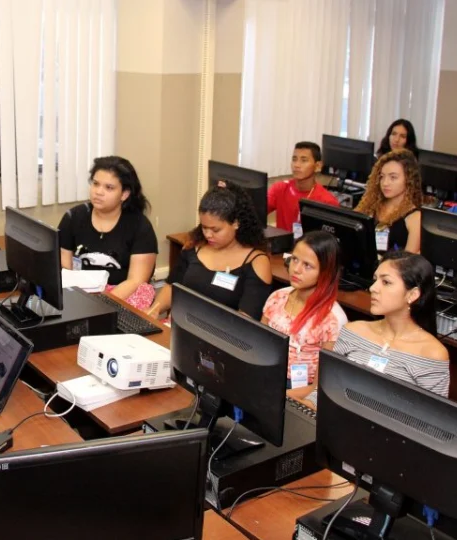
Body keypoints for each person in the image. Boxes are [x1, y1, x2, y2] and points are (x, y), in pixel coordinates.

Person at [148, 182, 272, 320]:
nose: (208, 235)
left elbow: (246, 320)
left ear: (236, 223)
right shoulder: (194, 247)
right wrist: (154, 309)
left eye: (215, 230)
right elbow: (171, 287)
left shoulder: (256, 262)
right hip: (181, 325)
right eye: (204, 227)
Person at [333, 251, 449, 396]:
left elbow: (432, 416)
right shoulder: (353, 331)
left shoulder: (431, 354)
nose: (373, 288)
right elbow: (327, 387)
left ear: (412, 295)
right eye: (375, 280)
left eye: (386, 282)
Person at [58, 156, 157, 310]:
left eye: (109, 188)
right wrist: (78, 298)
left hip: (122, 294)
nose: (98, 192)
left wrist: (100, 304)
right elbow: (65, 265)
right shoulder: (73, 217)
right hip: (78, 291)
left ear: (124, 194)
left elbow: (136, 281)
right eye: (96, 184)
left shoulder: (140, 227)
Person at [262, 231, 347, 388]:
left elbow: (319, 387)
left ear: (325, 272)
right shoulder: (277, 297)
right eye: (294, 259)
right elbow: (259, 345)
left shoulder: (333, 319)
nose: (296, 269)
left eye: (307, 265)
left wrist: (279, 396)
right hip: (267, 373)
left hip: (298, 388)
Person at [354, 149, 424, 254]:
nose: (385, 183)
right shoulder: (371, 207)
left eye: (393, 177)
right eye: (382, 177)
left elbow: (409, 264)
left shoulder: (415, 217)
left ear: (409, 180)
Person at [266, 142, 340, 234]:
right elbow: (257, 212)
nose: (296, 165)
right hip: (281, 245)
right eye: (294, 159)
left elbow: (328, 241)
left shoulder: (327, 201)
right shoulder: (280, 188)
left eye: (304, 160)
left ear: (318, 166)